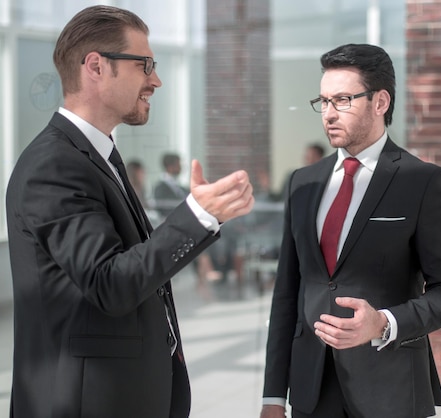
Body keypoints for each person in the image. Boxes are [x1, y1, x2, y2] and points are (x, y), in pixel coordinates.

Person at [5, 6, 254, 418]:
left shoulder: (100, 157)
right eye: (145, 65)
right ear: (96, 67)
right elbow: (109, 283)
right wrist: (197, 217)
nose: (155, 80)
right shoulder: (54, 165)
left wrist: (204, 217)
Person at [260, 43, 441, 418]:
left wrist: (384, 323)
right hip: (311, 390)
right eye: (323, 101)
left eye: (342, 99)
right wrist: (273, 395)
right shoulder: (302, 182)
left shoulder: (422, 181)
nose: (328, 114)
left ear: (380, 102)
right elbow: (287, 294)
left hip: (390, 390)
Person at [154, 152, 223, 293]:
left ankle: (203, 280)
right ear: (171, 166)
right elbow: (163, 208)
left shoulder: (181, 187)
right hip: (174, 224)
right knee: (199, 235)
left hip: (187, 223)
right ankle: (206, 275)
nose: (181, 167)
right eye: (179, 164)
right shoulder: (160, 187)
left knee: (205, 232)